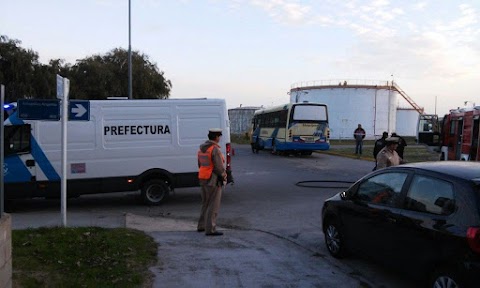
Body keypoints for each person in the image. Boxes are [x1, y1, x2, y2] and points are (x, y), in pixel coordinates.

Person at [197, 128, 227, 236]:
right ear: (216, 137)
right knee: (213, 205)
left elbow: (200, 165)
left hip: (203, 178)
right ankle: (210, 229)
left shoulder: (202, 149)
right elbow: (219, 167)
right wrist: (224, 176)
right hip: (213, 180)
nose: (220, 138)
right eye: (219, 136)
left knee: (205, 203)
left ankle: (201, 226)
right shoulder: (214, 149)